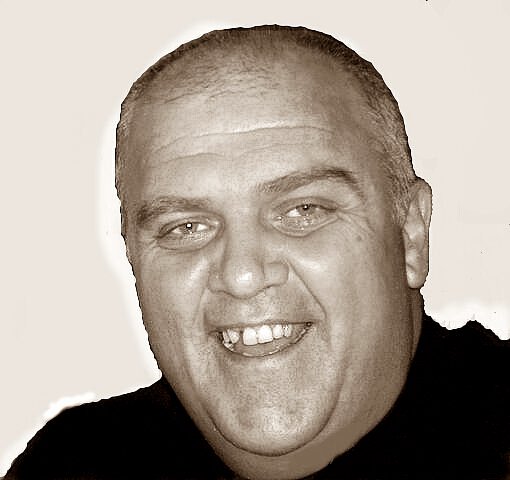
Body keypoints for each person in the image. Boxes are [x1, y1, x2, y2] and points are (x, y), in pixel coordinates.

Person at [5, 25, 509, 480]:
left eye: (304, 210)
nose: (242, 275)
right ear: (133, 256)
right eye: (186, 227)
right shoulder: (72, 466)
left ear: (412, 233)